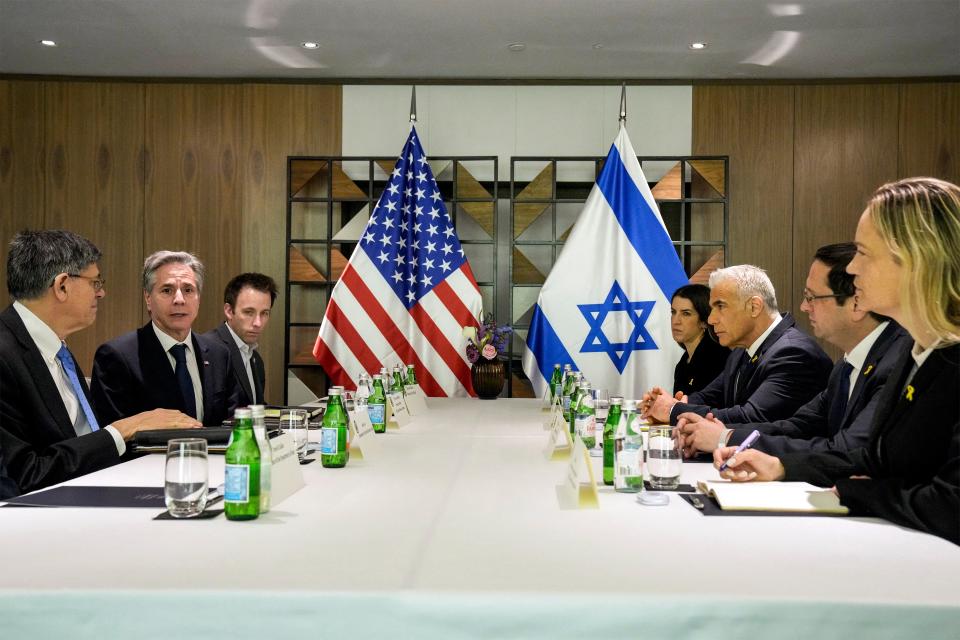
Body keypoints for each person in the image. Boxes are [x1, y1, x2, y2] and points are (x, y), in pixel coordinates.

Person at [714, 177, 960, 545]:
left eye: (864, 253)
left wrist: (861, 492)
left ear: (914, 258)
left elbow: (950, 505)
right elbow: (874, 460)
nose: (854, 269)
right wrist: (781, 466)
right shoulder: (919, 352)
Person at [0, 231, 200, 497]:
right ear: (62, 286)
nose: (101, 292)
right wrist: (125, 429)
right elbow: (24, 474)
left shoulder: (58, 350)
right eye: (95, 283)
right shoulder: (5, 354)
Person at [677, 243, 910, 457]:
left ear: (857, 303)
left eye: (811, 297)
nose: (803, 307)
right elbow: (798, 425)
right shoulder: (846, 365)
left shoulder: (896, 363)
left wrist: (723, 437)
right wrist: (721, 434)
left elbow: (848, 450)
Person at [641, 265, 832, 425]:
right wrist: (678, 402)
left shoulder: (793, 354)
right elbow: (710, 396)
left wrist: (673, 410)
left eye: (720, 306)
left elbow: (751, 417)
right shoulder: (742, 349)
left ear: (754, 307)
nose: (712, 319)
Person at [91, 251, 240, 427]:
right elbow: (113, 437)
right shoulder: (116, 356)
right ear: (148, 298)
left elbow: (230, 427)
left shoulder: (219, 355)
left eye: (188, 290)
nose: (179, 299)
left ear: (198, 298)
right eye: (167, 290)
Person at [203, 273, 277, 407]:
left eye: (264, 313)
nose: (258, 323)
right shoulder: (208, 351)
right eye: (249, 312)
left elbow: (256, 409)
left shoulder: (256, 359)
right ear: (229, 311)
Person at [671, 284, 730, 396]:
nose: (675, 321)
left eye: (686, 314)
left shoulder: (718, 359)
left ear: (704, 321)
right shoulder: (683, 364)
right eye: (673, 312)